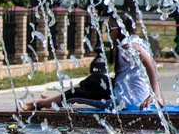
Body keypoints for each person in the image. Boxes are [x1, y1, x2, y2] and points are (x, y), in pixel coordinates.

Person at [23, 15, 163, 111]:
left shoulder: (127, 47)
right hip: (123, 90)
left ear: (120, 30)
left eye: (110, 28)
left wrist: (156, 94)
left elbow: (149, 62)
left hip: (125, 101)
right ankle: (55, 98)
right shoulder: (130, 40)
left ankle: (39, 104)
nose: (107, 31)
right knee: (96, 78)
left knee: (75, 94)